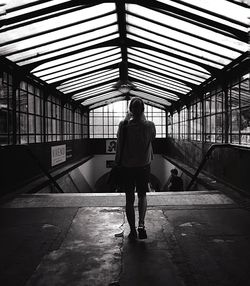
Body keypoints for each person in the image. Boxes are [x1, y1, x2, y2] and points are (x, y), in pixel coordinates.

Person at [115, 97, 156, 240]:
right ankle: (141, 225)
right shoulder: (150, 125)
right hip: (143, 166)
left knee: (129, 199)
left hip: (127, 167)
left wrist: (117, 162)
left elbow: (119, 144)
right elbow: (152, 139)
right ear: (143, 109)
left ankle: (132, 229)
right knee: (142, 195)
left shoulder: (123, 125)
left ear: (130, 109)